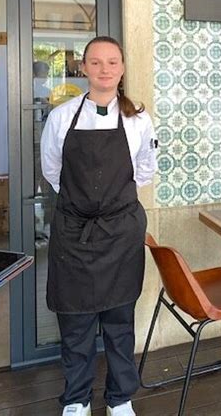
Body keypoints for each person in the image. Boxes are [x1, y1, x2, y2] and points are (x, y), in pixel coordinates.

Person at [40, 36, 157, 416]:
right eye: (96, 62)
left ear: (122, 68)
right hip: (74, 233)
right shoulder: (62, 117)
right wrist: (86, 205)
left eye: (112, 62)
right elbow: (52, 171)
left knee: (120, 321)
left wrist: (110, 205)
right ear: (84, 68)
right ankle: (76, 400)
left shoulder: (138, 118)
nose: (104, 69)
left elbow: (144, 171)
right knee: (75, 324)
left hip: (120, 233)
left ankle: (120, 399)